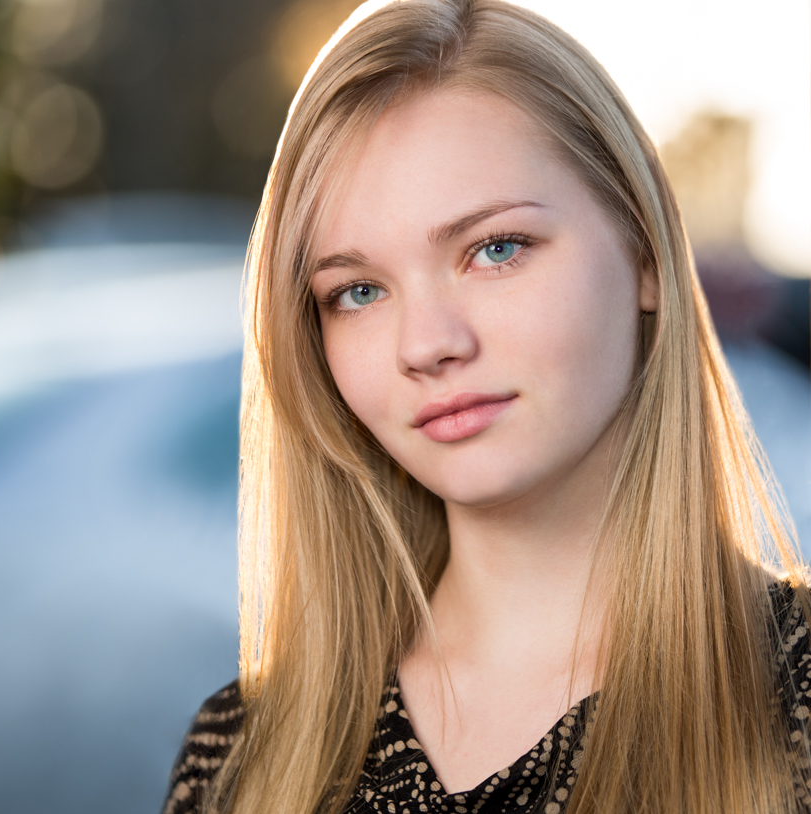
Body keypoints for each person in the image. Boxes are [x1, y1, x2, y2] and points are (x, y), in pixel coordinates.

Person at [162, 1, 811, 812]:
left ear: (645, 250)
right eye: (358, 292)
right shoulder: (240, 758)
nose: (426, 344)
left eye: (495, 249)